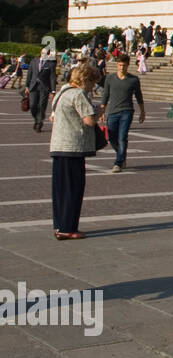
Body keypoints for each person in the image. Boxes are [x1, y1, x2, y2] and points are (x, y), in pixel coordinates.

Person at [48, 62, 103, 240]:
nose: (92, 87)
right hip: (73, 147)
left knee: (60, 189)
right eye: (92, 83)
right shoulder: (78, 94)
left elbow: (52, 118)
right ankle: (68, 227)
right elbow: (89, 121)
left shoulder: (62, 92)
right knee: (73, 188)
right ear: (85, 80)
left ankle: (60, 224)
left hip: (58, 146)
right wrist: (98, 111)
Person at [101, 55, 146, 173]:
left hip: (127, 111)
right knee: (111, 137)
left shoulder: (133, 79)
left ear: (128, 65)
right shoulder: (110, 78)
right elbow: (105, 95)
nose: (122, 67)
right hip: (112, 111)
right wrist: (102, 111)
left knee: (122, 137)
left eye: (124, 65)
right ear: (117, 65)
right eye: (120, 65)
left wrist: (142, 111)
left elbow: (139, 96)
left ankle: (118, 162)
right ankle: (121, 154)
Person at [24, 49, 56, 132]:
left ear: (48, 54)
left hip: (44, 88)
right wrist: (27, 86)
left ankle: (39, 123)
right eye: (42, 53)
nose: (43, 54)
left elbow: (52, 78)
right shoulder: (34, 61)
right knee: (32, 105)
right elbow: (29, 74)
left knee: (42, 106)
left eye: (45, 53)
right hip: (33, 87)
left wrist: (53, 91)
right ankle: (36, 119)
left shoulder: (51, 64)